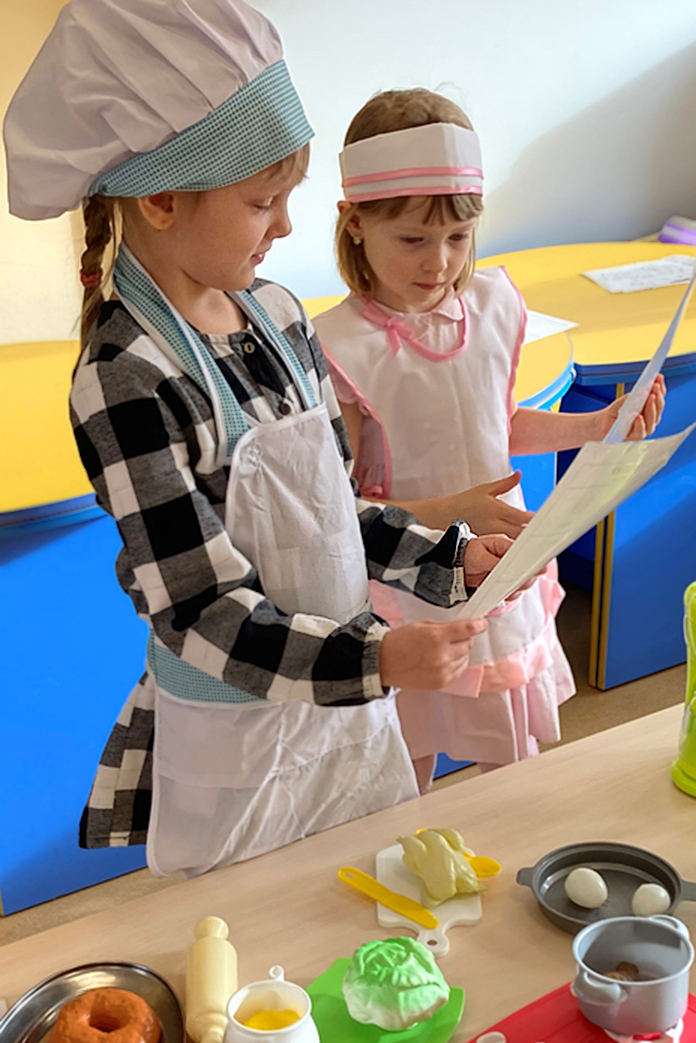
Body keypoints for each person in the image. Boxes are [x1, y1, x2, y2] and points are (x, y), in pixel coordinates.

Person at [3, 4, 515, 878]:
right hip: (238, 742)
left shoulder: (276, 315)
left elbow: (331, 514)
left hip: (346, 707)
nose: (284, 227)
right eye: (261, 201)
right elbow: (200, 611)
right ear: (163, 199)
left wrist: (449, 557)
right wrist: (379, 656)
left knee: (367, 911)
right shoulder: (126, 376)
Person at [314, 89, 665, 792]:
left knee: (509, 756)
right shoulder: (340, 346)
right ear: (354, 223)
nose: (439, 262)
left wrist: (595, 429)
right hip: (406, 579)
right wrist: (449, 513)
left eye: (458, 237)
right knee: (403, 758)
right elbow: (341, 505)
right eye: (413, 240)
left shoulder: (495, 303)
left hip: (502, 565)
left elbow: (495, 423)